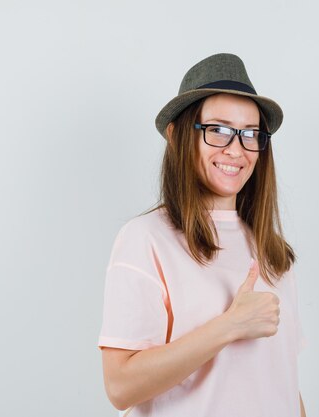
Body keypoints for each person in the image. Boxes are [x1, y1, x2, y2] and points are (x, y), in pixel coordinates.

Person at [97, 52, 307, 417]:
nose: (236, 149)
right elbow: (120, 386)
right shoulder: (146, 239)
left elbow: (283, 384)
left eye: (250, 134)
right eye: (219, 130)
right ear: (178, 135)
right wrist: (229, 326)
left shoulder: (271, 251)